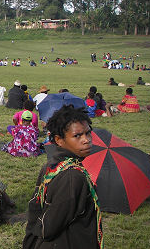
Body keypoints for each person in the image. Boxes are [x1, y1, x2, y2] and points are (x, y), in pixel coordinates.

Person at [23, 105, 103, 249]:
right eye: (77, 135)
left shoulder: (53, 164)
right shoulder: (73, 176)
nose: (86, 140)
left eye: (88, 133)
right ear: (59, 140)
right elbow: (49, 227)